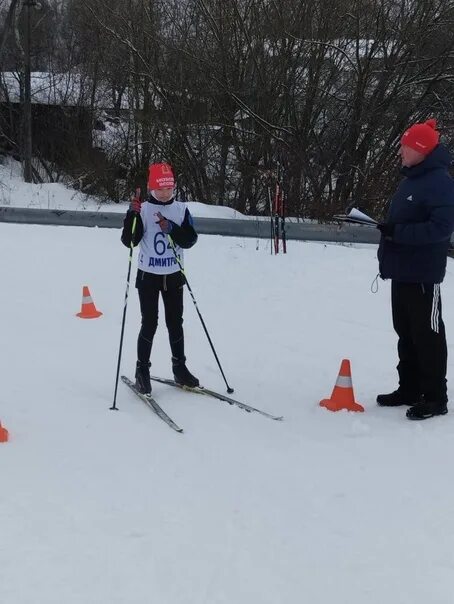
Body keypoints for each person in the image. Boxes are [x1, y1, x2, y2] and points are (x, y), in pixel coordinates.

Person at [376, 118, 454, 420]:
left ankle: (435, 397)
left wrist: (397, 233)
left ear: (421, 149)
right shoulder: (411, 179)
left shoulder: (440, 183)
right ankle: (409, 388)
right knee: (405, 332)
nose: (400, 152)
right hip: (401, 271)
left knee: (428, 335)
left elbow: (441, 229)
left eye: (405, 147)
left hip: (422, 275)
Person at [121, 162, 199, 395]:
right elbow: (130, 241)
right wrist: (131, 215)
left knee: (176, 323)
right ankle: (142, 371)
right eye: (160, 188)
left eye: (169, 188)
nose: (165, 193)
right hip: (148, 277)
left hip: (174, 276)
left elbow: (190, 240)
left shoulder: (181, 209)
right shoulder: (143, 209)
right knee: (150, 323)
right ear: (150, 187)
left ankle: (179, 368)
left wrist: (172, 229)